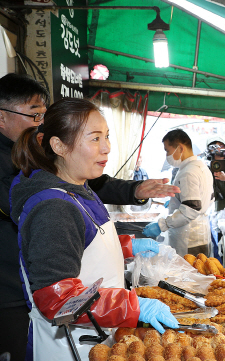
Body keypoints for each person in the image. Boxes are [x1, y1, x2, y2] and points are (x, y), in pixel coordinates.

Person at [0, 73, 178, 361]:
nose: (106, 148)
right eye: (95, 139)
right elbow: (58, 299)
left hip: (95, 335)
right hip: (70, 347)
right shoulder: (54, 206)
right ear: (58, 146)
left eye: (106, 136)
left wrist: (125, 247)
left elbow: (78, 244)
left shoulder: (78, 187)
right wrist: (133, 306)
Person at [143, 130, 214, 256]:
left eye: (168, 151)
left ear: (180, 148)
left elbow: (191, 209)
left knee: (189, 273)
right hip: (200, 233)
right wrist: (174, 202)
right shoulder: (201, 167)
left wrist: (162, 225)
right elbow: (204, 199)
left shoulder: (188, 172)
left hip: (189, 238)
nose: (167, 156)